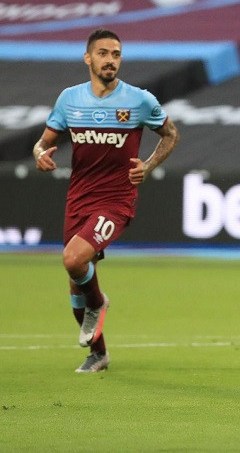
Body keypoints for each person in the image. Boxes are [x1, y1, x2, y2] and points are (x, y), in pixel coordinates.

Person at [32, 28, 180, 373]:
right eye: (103, 53)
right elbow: (42, 142)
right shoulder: (70, 99)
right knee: (76, 283)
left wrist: (148, 165)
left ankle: (98, 303)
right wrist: (40, 154)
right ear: (88, 58)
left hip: (116, 200)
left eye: (116, 54)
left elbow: (171, 134)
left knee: (73, 260)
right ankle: (98, 354)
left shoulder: (139, 100)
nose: (110, 60)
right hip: (78, 198)